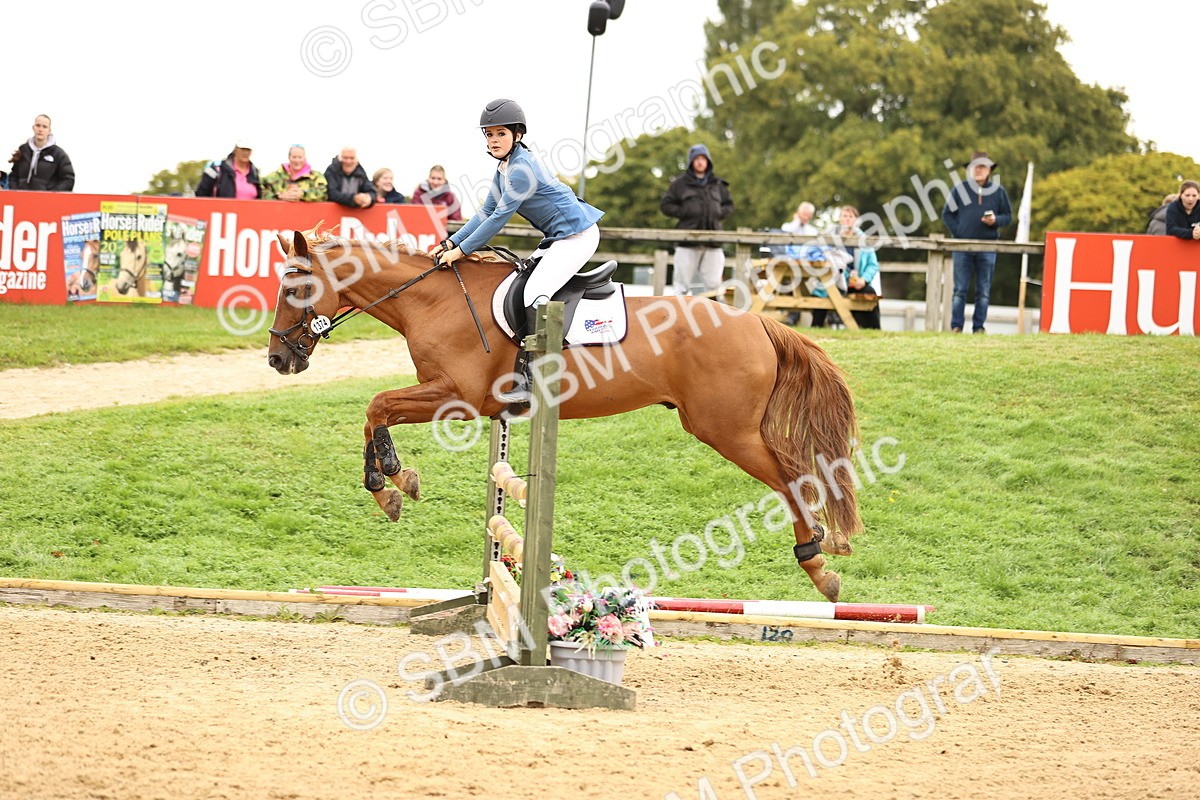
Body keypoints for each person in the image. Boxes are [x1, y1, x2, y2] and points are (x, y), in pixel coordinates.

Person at [432, 99, 603, 405]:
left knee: (533, 293)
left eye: (500, 134)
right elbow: (485, 211)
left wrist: (461, 252)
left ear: (518, 135)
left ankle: (535, 378)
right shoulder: (505, 167)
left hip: (577, 236)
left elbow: (499, 218)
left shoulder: (521, 170)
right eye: (489, 134)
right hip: (558, 237)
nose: (493, 140)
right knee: (517, 284)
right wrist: (451, 242)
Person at [941, 150, 1012, 333]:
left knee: (984, 291)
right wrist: (959, 233)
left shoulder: (998, 192)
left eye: (982, 166)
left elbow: (1008, 216)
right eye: (975, 166)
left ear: (989, 170)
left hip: (987, 246)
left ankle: (978, 327)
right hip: (962, 247)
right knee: (959, 290)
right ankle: (956, 326)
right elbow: (947, 214)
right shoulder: (960, 189)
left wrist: (995, 221)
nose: (978, 169)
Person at [660, 143, 734, 295]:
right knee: (681, 286)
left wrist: (719, 214)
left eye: (703, 159)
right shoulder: (679, 184)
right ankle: (679, 311)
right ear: (691, 162)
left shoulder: (718, 184)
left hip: (713, 241)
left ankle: (712, 311)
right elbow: (666, 205)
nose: (700, 162)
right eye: (697, 159)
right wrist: (684, 211)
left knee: (714, 287)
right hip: (687, 240)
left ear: (708, 161)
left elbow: (729, 204)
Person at [808, 206, 881, 329]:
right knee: (821, 292)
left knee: (870, 293)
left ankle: (875, 330)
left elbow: (873, 265)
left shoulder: (864, 240)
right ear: (840, 219)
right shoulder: (829, 237)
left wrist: (863, 280)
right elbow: (816, 253)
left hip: (855, 283)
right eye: (844, 216)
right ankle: (815, 328)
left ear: (856, 220)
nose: (847, 219)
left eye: (851, 216)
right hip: (833, 279)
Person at [9, 114, 75, 192]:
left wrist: (52, 194)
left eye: (44, 127)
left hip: (47, 199)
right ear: (33, 128)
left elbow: (68, 180)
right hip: (22, 198)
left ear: (49, 130)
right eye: (38, 125)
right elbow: (13, 175)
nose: (40, 129)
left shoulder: (59, 154)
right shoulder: (23, 150)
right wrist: (15, 191)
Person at [196, 139, 260, 199]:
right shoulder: (217, 169)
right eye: (243, 149)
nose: (245, 152)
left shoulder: (254, 172)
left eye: (248, 150)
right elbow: (201, 195)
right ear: (235, 149)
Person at [260, 145, 328, 202]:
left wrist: (303, 194)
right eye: (294, 157)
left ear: (305, 158)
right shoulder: (274, 176)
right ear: (289, 158)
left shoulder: (316, 176)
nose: (297, 160)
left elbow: (324, 193)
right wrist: (279, 196)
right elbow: (260, 191)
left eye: (300, 157)